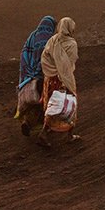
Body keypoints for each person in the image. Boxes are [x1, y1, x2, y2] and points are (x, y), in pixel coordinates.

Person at [40, 16, 80, 144]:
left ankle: (45, 131)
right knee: (70, 104)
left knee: (53, 106)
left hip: (50, 79)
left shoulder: (53, 40)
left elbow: (44, 57)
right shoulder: (71, 44)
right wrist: (63, 76)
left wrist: (52, 71)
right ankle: (69, 134)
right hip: (63, 80)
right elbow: (69, 63)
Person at [15, 15, 57, 136]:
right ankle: (42, 127)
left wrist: (28, 72)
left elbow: (24, 54)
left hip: (27, 76)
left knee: (31, 100)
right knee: (43, 101)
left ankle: (27, 122)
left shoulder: (32, 36)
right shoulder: (49, 39)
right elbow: (46, 58)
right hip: (41, 76)